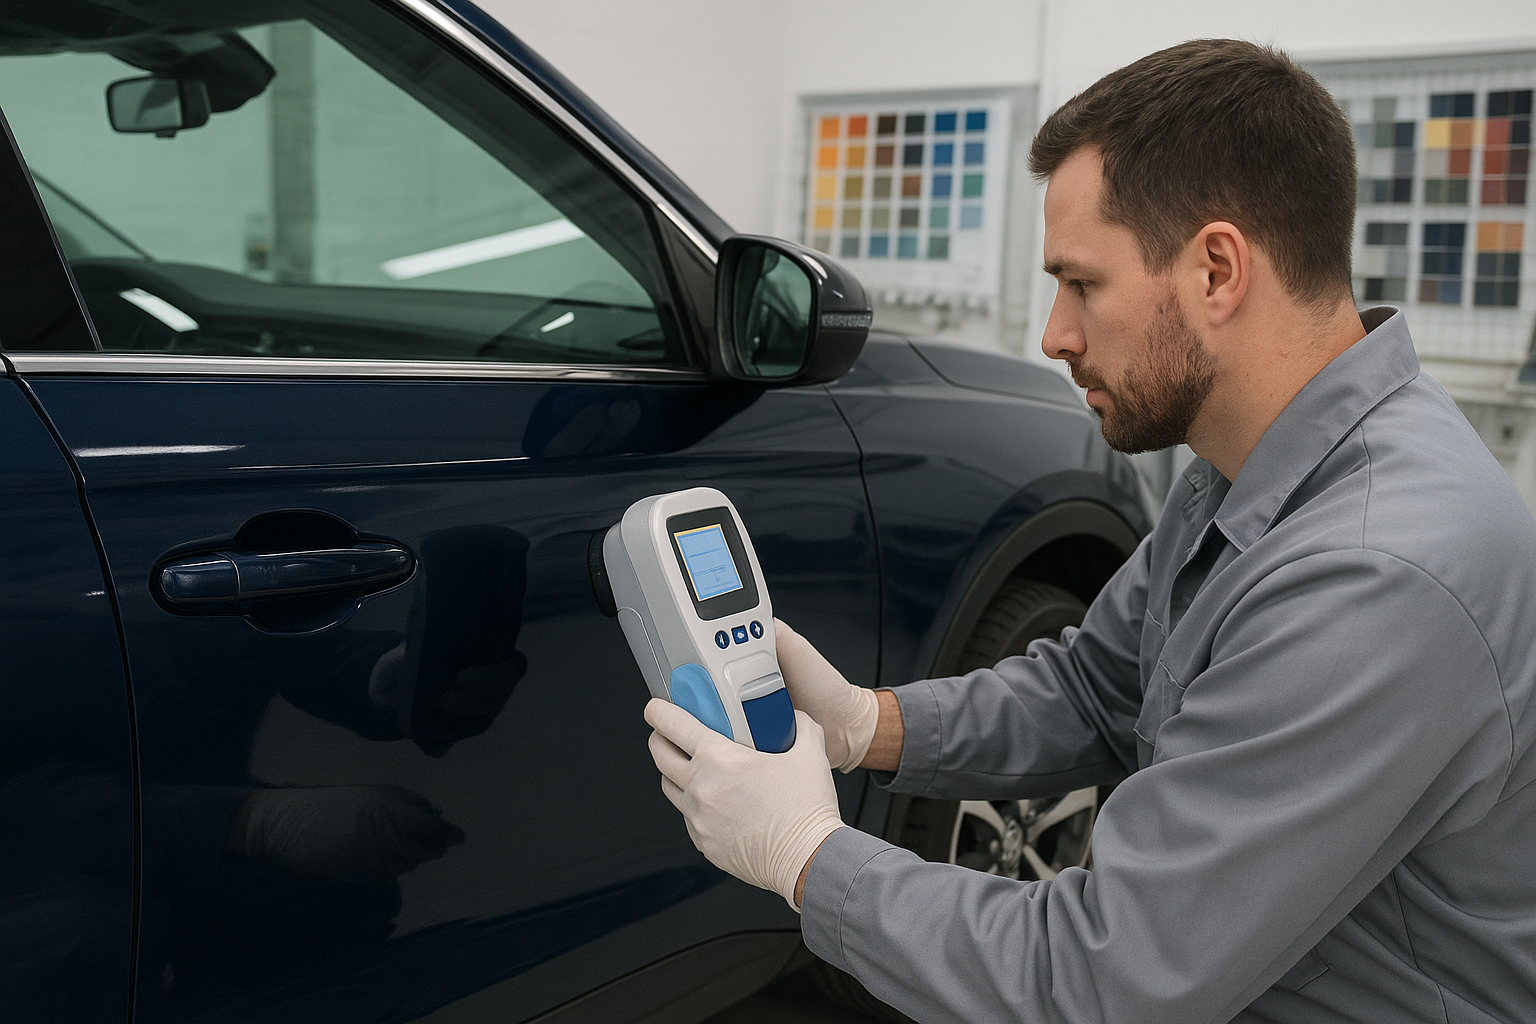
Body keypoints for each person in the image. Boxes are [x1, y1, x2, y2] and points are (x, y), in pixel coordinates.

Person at [646, 38, 1536, 1023]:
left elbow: (1103, 980)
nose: (1054, 335)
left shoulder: (1373, 575)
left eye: (1082, 284)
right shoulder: (1252, 464)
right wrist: (866, 724)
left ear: (1216, 270)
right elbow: (1093, 687)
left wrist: (809, 857)